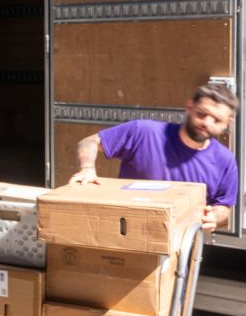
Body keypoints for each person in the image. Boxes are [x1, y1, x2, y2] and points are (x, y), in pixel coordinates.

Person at [70, 83, 239, 232]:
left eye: (216, 120)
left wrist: (214, 217)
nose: (207, 123)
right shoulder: (143, 132)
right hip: (125, 230)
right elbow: (90, 142)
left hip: (183, 247)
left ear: (227, 123)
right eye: (202, 114)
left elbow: (224, 206)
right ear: (190, 106)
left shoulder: (225, 160)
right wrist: (87, 169)